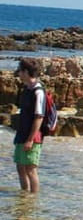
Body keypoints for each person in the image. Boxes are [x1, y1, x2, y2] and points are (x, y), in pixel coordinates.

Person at [13, 59, 46, 193]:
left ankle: (33, 200)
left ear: (26, 72)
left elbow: (39, 117)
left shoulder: (38, 92)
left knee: (30, 169)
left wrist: (30, 139)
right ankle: (24, 197)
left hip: (32, 137)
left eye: (20, 71)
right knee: (20, 167)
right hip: (21, 134)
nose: (18, 74)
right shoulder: (26, 88)